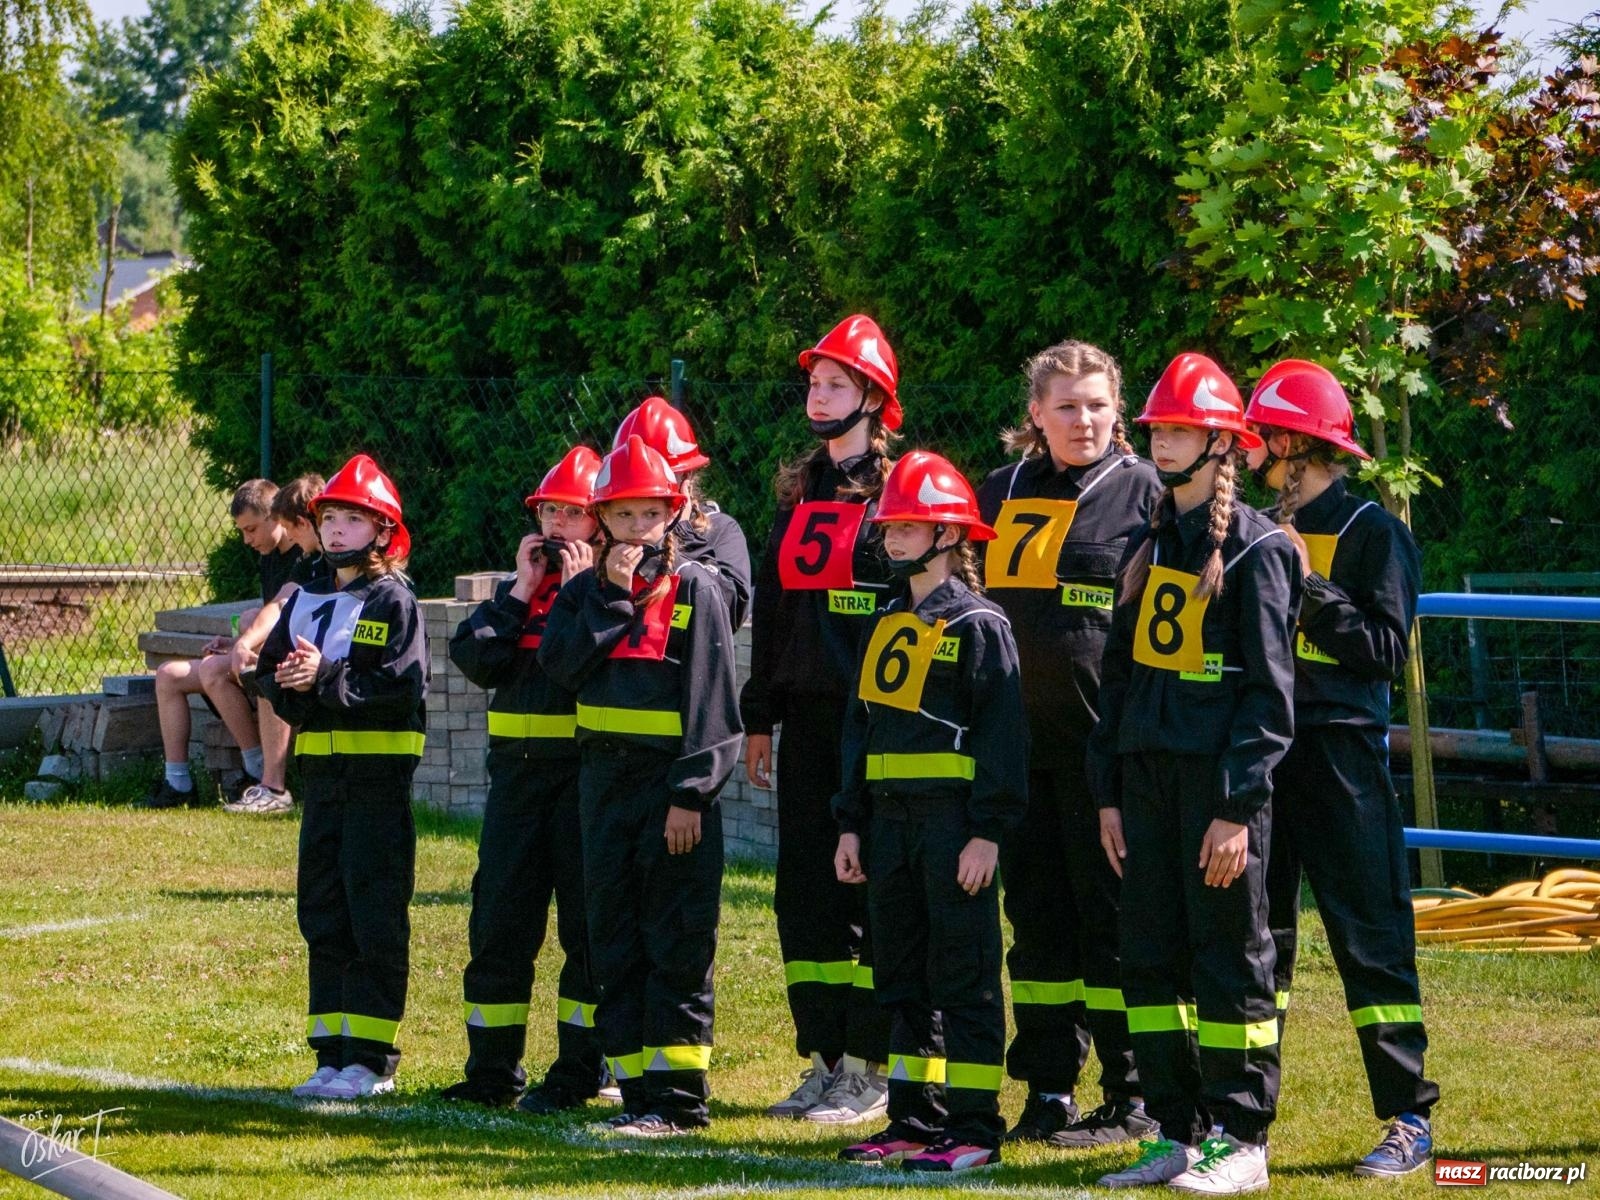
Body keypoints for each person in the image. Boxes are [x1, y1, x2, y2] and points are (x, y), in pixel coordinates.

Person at [1088, 354, 1299, 1194]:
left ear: (1223, 442)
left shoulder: (1258, 550)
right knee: (1148, 958)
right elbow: (1118, 680)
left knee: (1227, 961)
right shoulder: (1145, 546)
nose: (1162, 439)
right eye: (1158, 428)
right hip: (1143, 791)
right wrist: (1108, 795)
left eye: (1179, 427)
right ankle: (1174, 1130)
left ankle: (1242, 1138)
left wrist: (1237, 809)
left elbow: (1270, 699)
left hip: (1217, 794)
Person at [1243, 359, 1439, 1178]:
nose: (1250, 452)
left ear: (1292, 442)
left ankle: (1407, 1118)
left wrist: (1308, 582)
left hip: (1342, 755)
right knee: (1257, 943)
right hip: (1261, 751)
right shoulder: (1250, 525)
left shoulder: (1373, 531)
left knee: (1370, 935)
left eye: (1260, 437)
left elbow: (1386, 652)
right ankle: (1243, 1121)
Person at [976, 340, 1162, 1145]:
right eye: (1066, 406)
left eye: (1096, 404)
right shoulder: (999, 493)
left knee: (1113, 927)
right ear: (1035, 416)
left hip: (1105, 758)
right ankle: (1048, 1088)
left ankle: (1134, 1096)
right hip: (1018, 754)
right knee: (1038, 929)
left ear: (1118, 411)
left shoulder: (1148, 496)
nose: (1082, 420)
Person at [538, 435, 742, 1137]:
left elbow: (713, 703)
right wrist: (613, 600)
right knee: (611, 937)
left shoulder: (700, 590)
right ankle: (634, 1091)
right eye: (620, 517)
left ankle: (680, 1100)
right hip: (603, 787)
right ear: (601, 522)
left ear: (674, 512)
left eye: (646, 516)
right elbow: (560, 669)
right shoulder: (586, 593)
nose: (634, 531)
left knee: (676, 940)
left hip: (669, 794)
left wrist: (692, 794)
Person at [832, 451, 1026, 1174]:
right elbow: (860, 726)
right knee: (902, 973)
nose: (893, 538)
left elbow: (1006, 737)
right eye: (890, 526)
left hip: (952, 828)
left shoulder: (980, 624)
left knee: (965, 972)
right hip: (887, 827)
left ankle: (975, 1124)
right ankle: (914, 1119)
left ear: (950, 534)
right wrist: (850, 822)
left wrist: (987, 832)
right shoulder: (886, 615)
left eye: (910, 526)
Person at [743, 314, 899, 1125]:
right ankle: (826, 1057)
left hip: (870, 721)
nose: (819, 395)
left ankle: (872, 1067)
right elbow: (771, 608)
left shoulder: (899, 490)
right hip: (802, 723)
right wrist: (759, 715)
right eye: (814, 382)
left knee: (865, 886)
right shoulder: (799, 488)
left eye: (836, 383)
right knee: (802, 894)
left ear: (874, 397)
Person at [257, 455, 428, 1100]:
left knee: (372, 912)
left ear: (383, 532)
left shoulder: (391, 597)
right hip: (324, 781)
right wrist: (281, 679)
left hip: (376, 783)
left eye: (353, 520)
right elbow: (279, 673)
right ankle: (330, 1053)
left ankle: (371, 1057)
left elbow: (392, 687)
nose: (335, 531)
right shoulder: (306, 595)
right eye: (329, 518)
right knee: (323, 911)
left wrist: (322, 678)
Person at [440, 447, 605, 1113]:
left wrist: (575, 593)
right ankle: (490, 1074)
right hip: (515, 785)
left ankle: (577, 1073)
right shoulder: (519, 591)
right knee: (500, 927)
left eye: (574, 512)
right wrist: (519, 586)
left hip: (580, 783)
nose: (560, 525)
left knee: (585, 936)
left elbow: (577, 664)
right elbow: (474, 658)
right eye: (550, 511)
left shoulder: (600, 596)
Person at [142, 478, 298, 809]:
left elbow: (282, 614)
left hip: (287, 660)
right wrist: (234, 643)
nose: (247, 540)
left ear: (275, 517)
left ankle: (258, 773)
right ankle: (178, 783)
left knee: (215, 669)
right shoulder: (268, 555)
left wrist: (244, 640)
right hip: (257, 651)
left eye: (251, 529)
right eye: (242, 531)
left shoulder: (300, 556)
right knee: (169, 674)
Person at [225, 473, 328, 814]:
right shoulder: (309, 559)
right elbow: (283, 604)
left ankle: (274, 787)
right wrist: (243, 641)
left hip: (336, 662)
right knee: (267, 668)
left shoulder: (328, 556)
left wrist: (248, 643)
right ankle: (266, 782)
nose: (292, 540)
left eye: (291, 528)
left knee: (271, 674)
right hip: (317, 656)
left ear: (302, 523)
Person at [612, 395, 752, 628]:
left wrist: (684, 533)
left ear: (687, 480)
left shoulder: (719, 530)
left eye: (661, 477)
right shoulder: (611, 531)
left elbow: (731, 613)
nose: (648, 490)